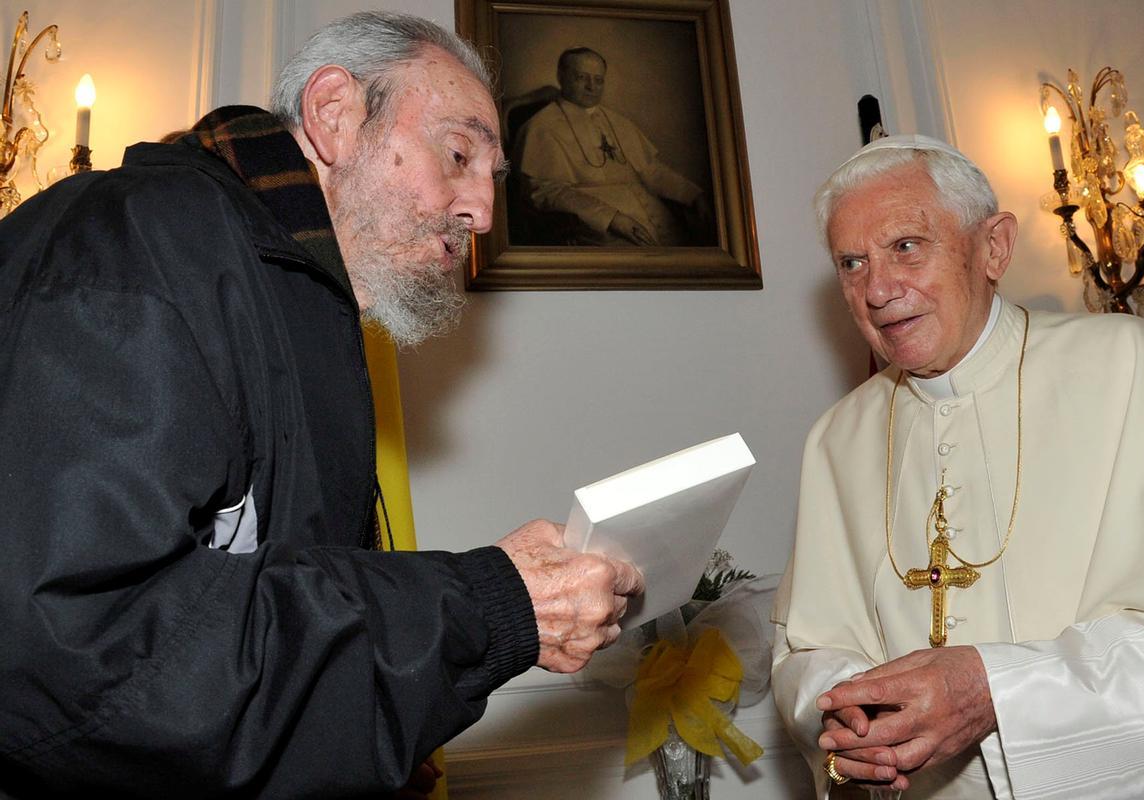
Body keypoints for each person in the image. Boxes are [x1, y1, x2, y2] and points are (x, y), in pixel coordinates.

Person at [0, 12, 642, 797]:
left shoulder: (285, 291)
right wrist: (491, 604)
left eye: (492, 178)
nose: (481, 211)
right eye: (458, 153)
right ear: (335, 113)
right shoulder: (135, 245)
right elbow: (89, 654)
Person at [771, 134, 1144, 799]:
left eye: (906, 247)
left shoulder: (1137, 368)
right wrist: (845, 705)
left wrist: (999, 691)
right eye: (851, 263)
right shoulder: (836, 438)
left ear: (994, 246)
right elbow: (803, 649)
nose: (878, 288)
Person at [514, 46, 712, 246]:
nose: (592, 87)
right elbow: (546, 192)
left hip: (655, 217)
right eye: (582, 77)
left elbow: (651, 170)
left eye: (598, 80)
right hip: (595, 228)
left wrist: (693, 194)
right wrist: (611, 219)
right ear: (561, 76)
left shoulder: (619, 122)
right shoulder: (540, 127)